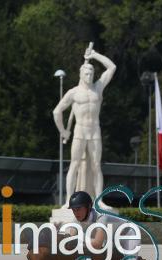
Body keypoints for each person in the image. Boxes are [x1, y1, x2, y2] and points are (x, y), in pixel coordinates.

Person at [67, 190, 162, 260]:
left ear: (89, 206)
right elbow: (71, 241)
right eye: (74, 210)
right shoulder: (75, 221)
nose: (76, 213)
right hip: (111, 239)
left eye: (79, 209)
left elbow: (97, 243)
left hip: (128, 235)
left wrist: (78, 238)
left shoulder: (102, 216)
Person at [53, 44, 116, 205]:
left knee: (96, 166)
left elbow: (112, 67)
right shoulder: (73, 92)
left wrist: (94, 54)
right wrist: (63, 131)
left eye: (92, 73)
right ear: (81, 74)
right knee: (74, 165)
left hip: (95, 131)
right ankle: (68, 200)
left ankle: (99, 201)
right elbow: (57, 111)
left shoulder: (98, 88)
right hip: (80, 132)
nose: (89, 75)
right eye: (86, 73)